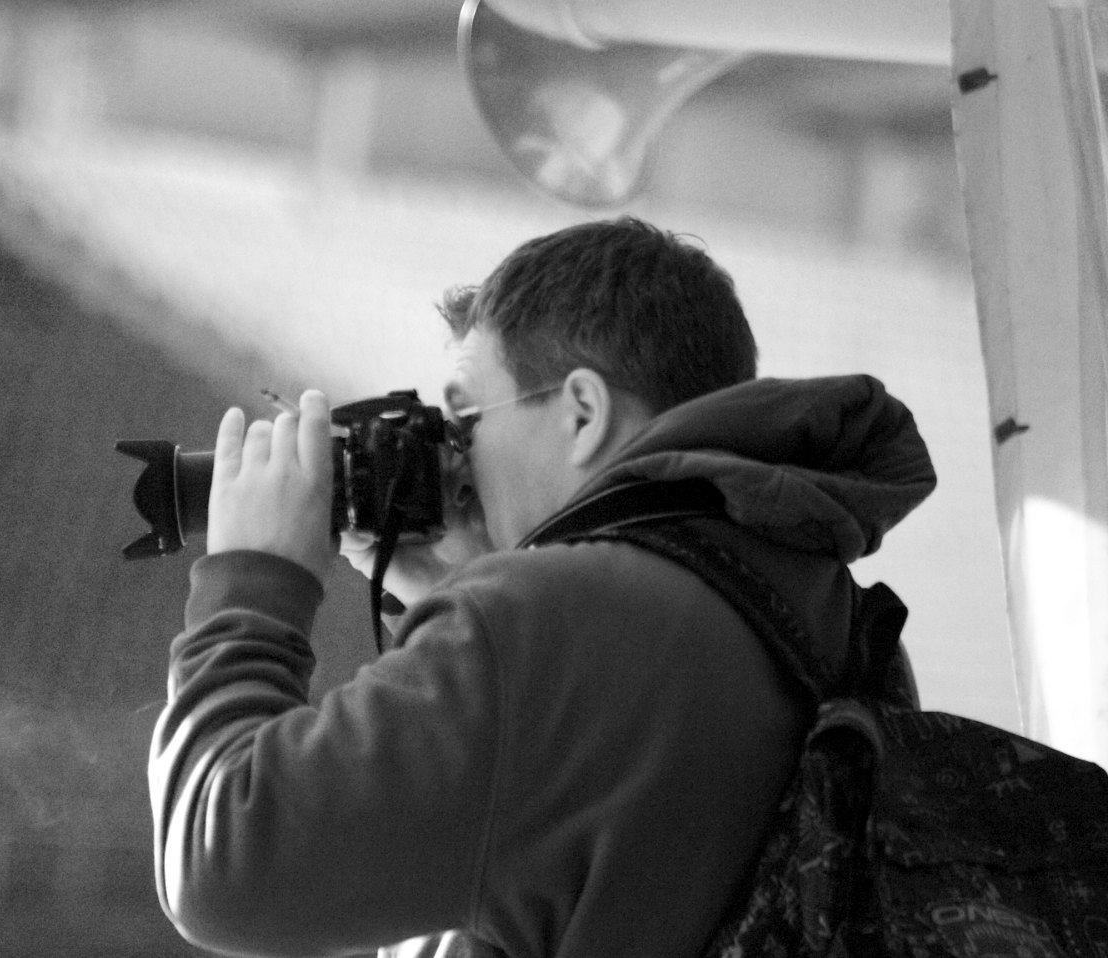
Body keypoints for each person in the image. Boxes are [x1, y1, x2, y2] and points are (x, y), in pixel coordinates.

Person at [147, 217, 936, 958]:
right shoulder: (817, 611)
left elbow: (223, 859)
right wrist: (465, 589)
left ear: (582, 412)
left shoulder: (549, 623)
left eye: (466, 422)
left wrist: (256, 577)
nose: (454, 465)